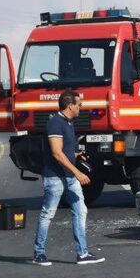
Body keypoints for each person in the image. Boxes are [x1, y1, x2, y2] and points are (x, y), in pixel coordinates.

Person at [32, 90, 105, 265]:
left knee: (80, 211)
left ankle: (82, 254)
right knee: (48, 214)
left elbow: (64, 151)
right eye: (79, 104)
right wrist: (78, 173)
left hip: (69, 176)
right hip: (55, 177)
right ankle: (39, 253)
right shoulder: (55, 123)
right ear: (70, 105)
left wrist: (76, 154)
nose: (81, 107)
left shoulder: (69, 123)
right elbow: (57, 154)